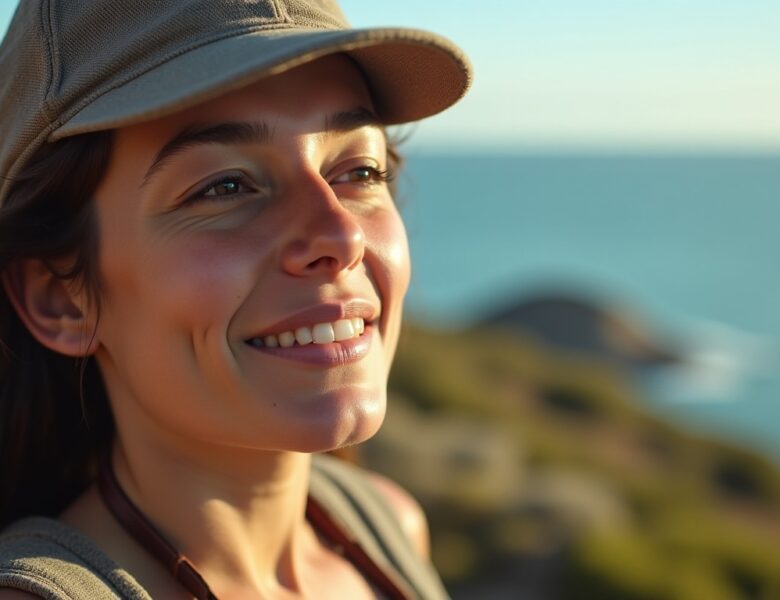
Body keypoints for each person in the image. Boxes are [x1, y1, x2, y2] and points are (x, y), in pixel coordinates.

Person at [0, 0, 471, 598]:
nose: (341, 236)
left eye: (359, 171)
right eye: (225, 186)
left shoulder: (388, 526)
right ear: (61, 301)